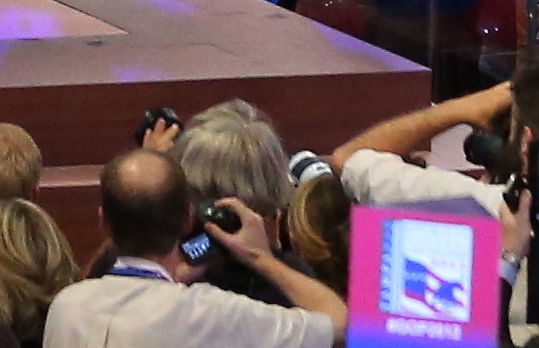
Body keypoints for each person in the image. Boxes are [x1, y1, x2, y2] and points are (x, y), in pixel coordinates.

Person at [43, 146, 342, 348]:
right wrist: (260, 257)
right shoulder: (210, 312)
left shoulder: (65, 307)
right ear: (188, 218)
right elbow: (339, 322)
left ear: (103, 222)